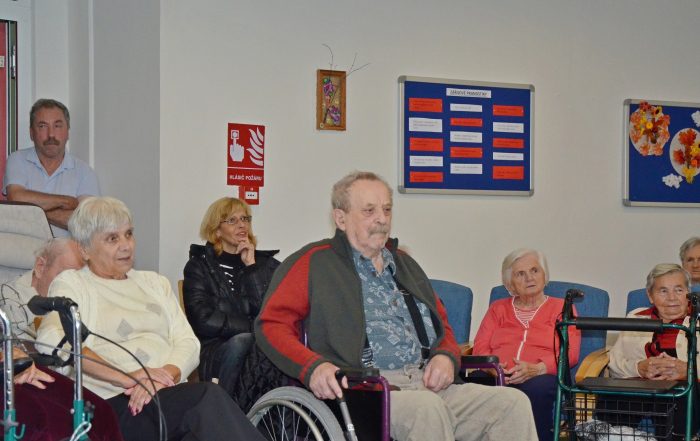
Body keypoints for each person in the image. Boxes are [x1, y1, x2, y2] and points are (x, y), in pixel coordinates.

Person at [256, 171, 538, 441]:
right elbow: (271, 325)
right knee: (426, 409)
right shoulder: (314, 263)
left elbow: (442, 325)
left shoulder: (405, 264)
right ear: (340, 218)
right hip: (365, 390)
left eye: (387, 209)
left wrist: (445, 356)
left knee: (511, 404)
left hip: (428, 383)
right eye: (369, 211)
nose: (382, 219)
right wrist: (312, 367)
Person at [35, 196, 266, 441]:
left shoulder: (154, 283)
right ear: (84, 249)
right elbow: (53, 342)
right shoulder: (73, 284)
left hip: (167, 395)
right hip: (113, 403)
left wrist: (162, 378)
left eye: (128, 234)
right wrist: (131, 378)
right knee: (206, 398)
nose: (126, 246)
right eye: (112, 238)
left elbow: (188, 342)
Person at [0, 237, 124, 441]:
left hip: (24, 368)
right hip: (11, 377)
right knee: (45, 422)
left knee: (101, 412)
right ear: (41, 266)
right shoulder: (11, 298)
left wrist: (13, 354)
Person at [183, 196, 284, 410]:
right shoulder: (198, 267)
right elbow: (203, 320)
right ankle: (223, 410)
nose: (241, 225)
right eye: (232, 220)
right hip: (216, 348)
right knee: (243, 341)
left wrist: (251, 267)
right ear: (217, 230)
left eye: (245, 219)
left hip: (259, 346)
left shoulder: (264, 265)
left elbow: (271, 310)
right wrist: (253, 328)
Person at [472, 248, 581, 441]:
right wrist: (493, 368)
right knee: (471, 384)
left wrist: (537, 368)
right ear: (510, 284)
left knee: (537, 389)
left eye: (534, 270)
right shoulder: (498, 308)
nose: (529, 278)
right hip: (497, 374)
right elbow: (480, 347)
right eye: (520, 274)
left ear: (544, 275)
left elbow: (570, 353)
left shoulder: (562, 308)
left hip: (540, 375)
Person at [607, 263, 699, 440]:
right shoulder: (637, 317)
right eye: (663, 291)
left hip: (686, 388)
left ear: (688, 293)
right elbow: (614, 362)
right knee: (616, 398)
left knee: (678, 400)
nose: (671, 298)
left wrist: (688, 370)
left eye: (679, 290)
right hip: (643, 386)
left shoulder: (698, 319)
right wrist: (638, 368)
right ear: (650, 296)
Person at [3, 98, 100, 237]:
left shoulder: (84, 172)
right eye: (42, 126)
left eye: (57, 126)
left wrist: (33, 211)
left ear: (67, 132)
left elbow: (87, 223)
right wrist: (66, 201)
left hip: (66, 250)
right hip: (23, 248)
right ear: (31, 133)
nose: (51, 135)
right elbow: (16, 197)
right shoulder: (18, 160)